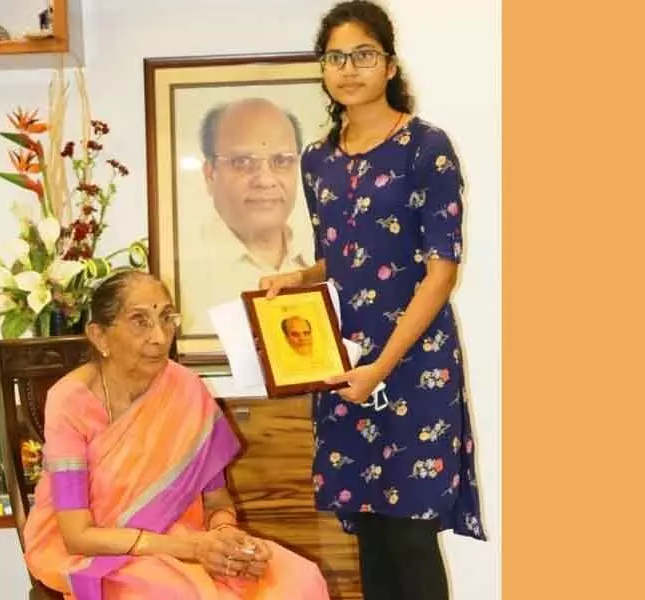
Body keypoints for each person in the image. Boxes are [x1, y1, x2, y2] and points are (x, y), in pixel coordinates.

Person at [259, 2, 487, 599]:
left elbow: (441, 272)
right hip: (344, 358)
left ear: (389, 65)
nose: (349, 68)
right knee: (370, 532)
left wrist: (380, 367)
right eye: (335, 57)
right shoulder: (317, 160)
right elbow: (343, 253)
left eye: (363, 54)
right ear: (323, 70)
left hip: (415, 363)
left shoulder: (426, 147)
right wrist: (298, 280)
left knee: (411, 535)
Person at [22, 269, 331, 599]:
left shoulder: (186, 388)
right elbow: (77, 535)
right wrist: (191, 548)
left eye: (167, 318)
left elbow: (217, 501)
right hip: (104, 554)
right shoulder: (69, 400)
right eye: (140, 321)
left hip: (188, 541)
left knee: (300, 580)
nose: (159, 336)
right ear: (99, 335)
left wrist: (226, 539)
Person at [178, 97, 316, 335]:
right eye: (242, 162)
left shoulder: (322, 258)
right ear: (210, 174)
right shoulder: (181, 276)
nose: (265, 180)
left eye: (281, 161)